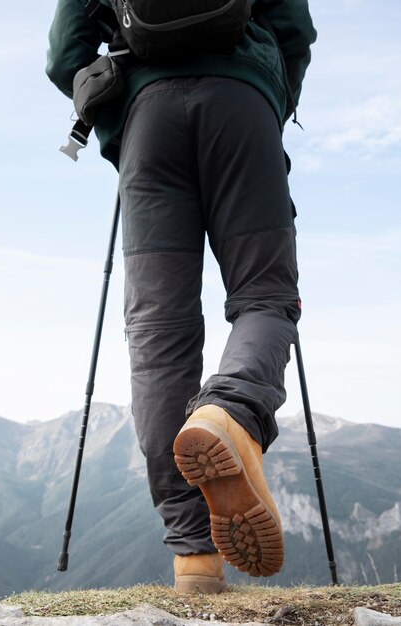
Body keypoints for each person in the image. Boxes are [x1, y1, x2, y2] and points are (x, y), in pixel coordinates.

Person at [47, 0, 316, 594]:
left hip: (149, 122)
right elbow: (295, 29)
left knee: (158, 335)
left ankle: (195, 558)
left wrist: (123, 111)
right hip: (243, 108)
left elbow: (65, 49)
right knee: (264, 295)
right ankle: (233, 411)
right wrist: (269, 98)